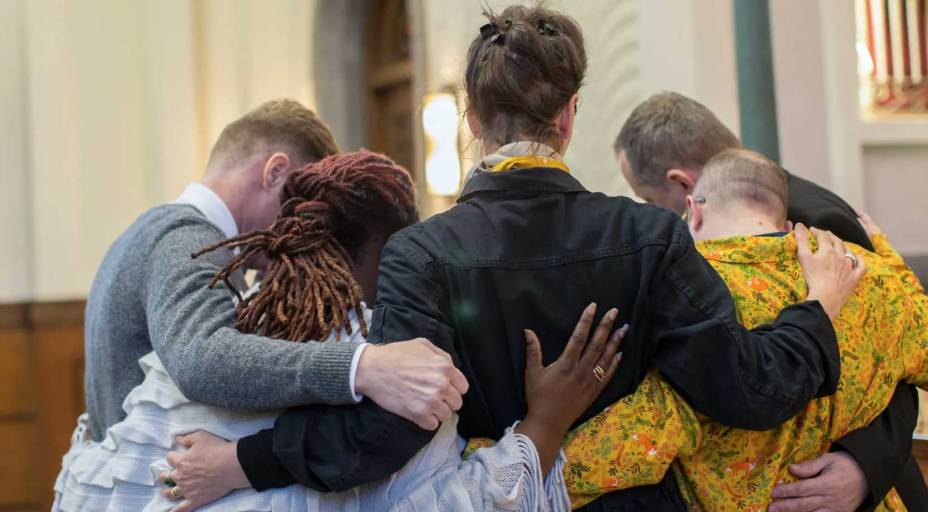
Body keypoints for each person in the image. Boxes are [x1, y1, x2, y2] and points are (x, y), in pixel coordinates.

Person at [166, 6, 864, 511]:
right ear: (568, 117)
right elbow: (749, 391)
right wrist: (819, 308)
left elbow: (381, 438)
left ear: (471, 119)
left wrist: (243, 463)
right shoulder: (649, 234)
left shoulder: (423, 252)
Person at [55, 150, 624, 511]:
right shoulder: (392, 362)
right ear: (388, 250)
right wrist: (544, 425)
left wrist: (239, 464)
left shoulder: (196, 353)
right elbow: (459, 504)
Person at [558, 149, 928, 511]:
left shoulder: (692, 293)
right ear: (786, 225)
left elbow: (640, 437)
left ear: (693, 212)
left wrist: (513, 466)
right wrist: (886, 256)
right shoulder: (863, 274)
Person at [83, 99, 466, 448]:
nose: (299, 230)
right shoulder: (185, 238)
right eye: (298, 205)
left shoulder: (155, 229)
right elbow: (201, 359)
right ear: (275, 172)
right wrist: (361, 367)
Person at [613, 91, 928, 511]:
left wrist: (861, 468)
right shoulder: (763, 206)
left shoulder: (813, 224)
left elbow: (894, 353)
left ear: (685, 187)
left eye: (652, 202)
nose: (663, 218)